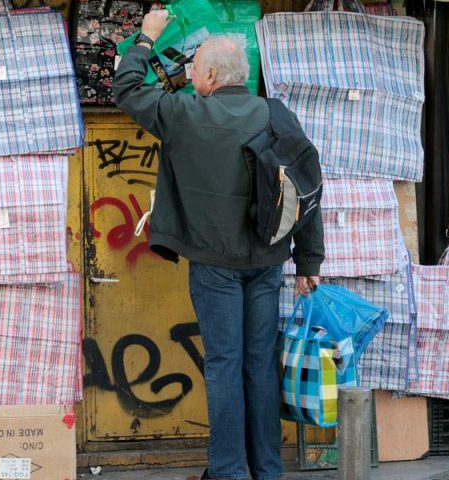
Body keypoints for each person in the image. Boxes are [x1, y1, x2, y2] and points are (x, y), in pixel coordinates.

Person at [113, 10, 325, 480]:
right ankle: (267, 470)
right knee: (258, 366)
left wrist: (147, 38)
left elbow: (126, 89)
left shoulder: (186, 114)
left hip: (214, 267)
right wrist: (309, 259)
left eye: (194, 71)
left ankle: (229, 471)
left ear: (209, 75)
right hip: (268, 262)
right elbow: (307, 186)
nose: (190, 77)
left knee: (226, 366)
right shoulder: (276, 114)